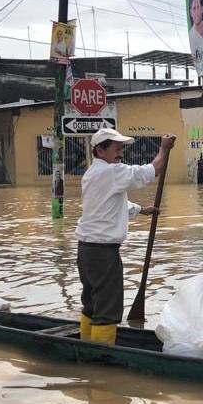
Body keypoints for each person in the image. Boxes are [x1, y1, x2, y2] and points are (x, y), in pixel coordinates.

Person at [76, 129, 176, 345]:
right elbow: (152, 170)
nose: (121, 152)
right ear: (100, 150)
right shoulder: (111, 172)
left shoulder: (92, 174)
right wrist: (163, 149)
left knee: (92, 305)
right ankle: (100, 361)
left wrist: (141, 210)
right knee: (108, 310)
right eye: (116, 148)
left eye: (122, 148)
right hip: (103, 254)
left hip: (86, 251)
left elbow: (109, 205)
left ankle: (85, 347)